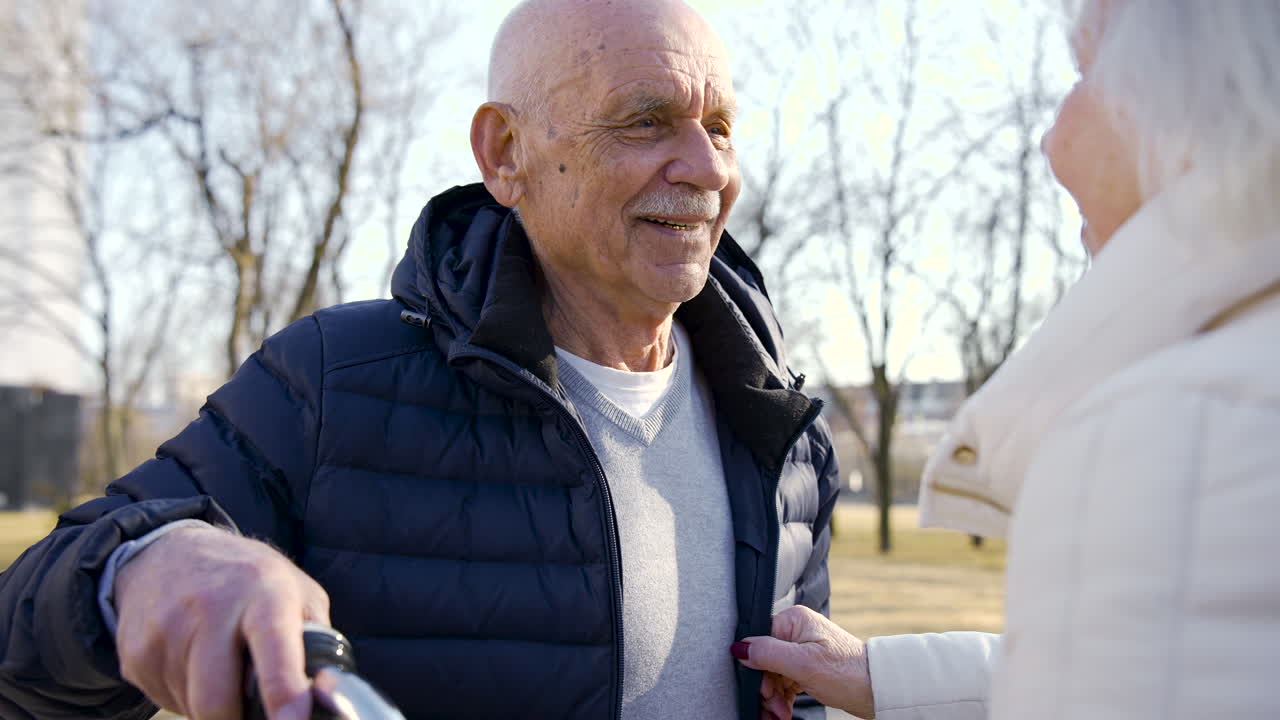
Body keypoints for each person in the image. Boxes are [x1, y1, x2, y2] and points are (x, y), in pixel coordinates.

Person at [0, 1, 840, 718]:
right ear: (504, 153)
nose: (705, 168)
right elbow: (21, 651)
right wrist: (142, 565)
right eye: (645, 121)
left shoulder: (784, 431)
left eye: (720, 127)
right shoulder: (333, 383)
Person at [733, 0, 1280, 718]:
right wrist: (879, 674)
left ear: (1190, 98)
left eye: (1084, 73)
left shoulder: (1173, 433)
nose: (1053, 143)